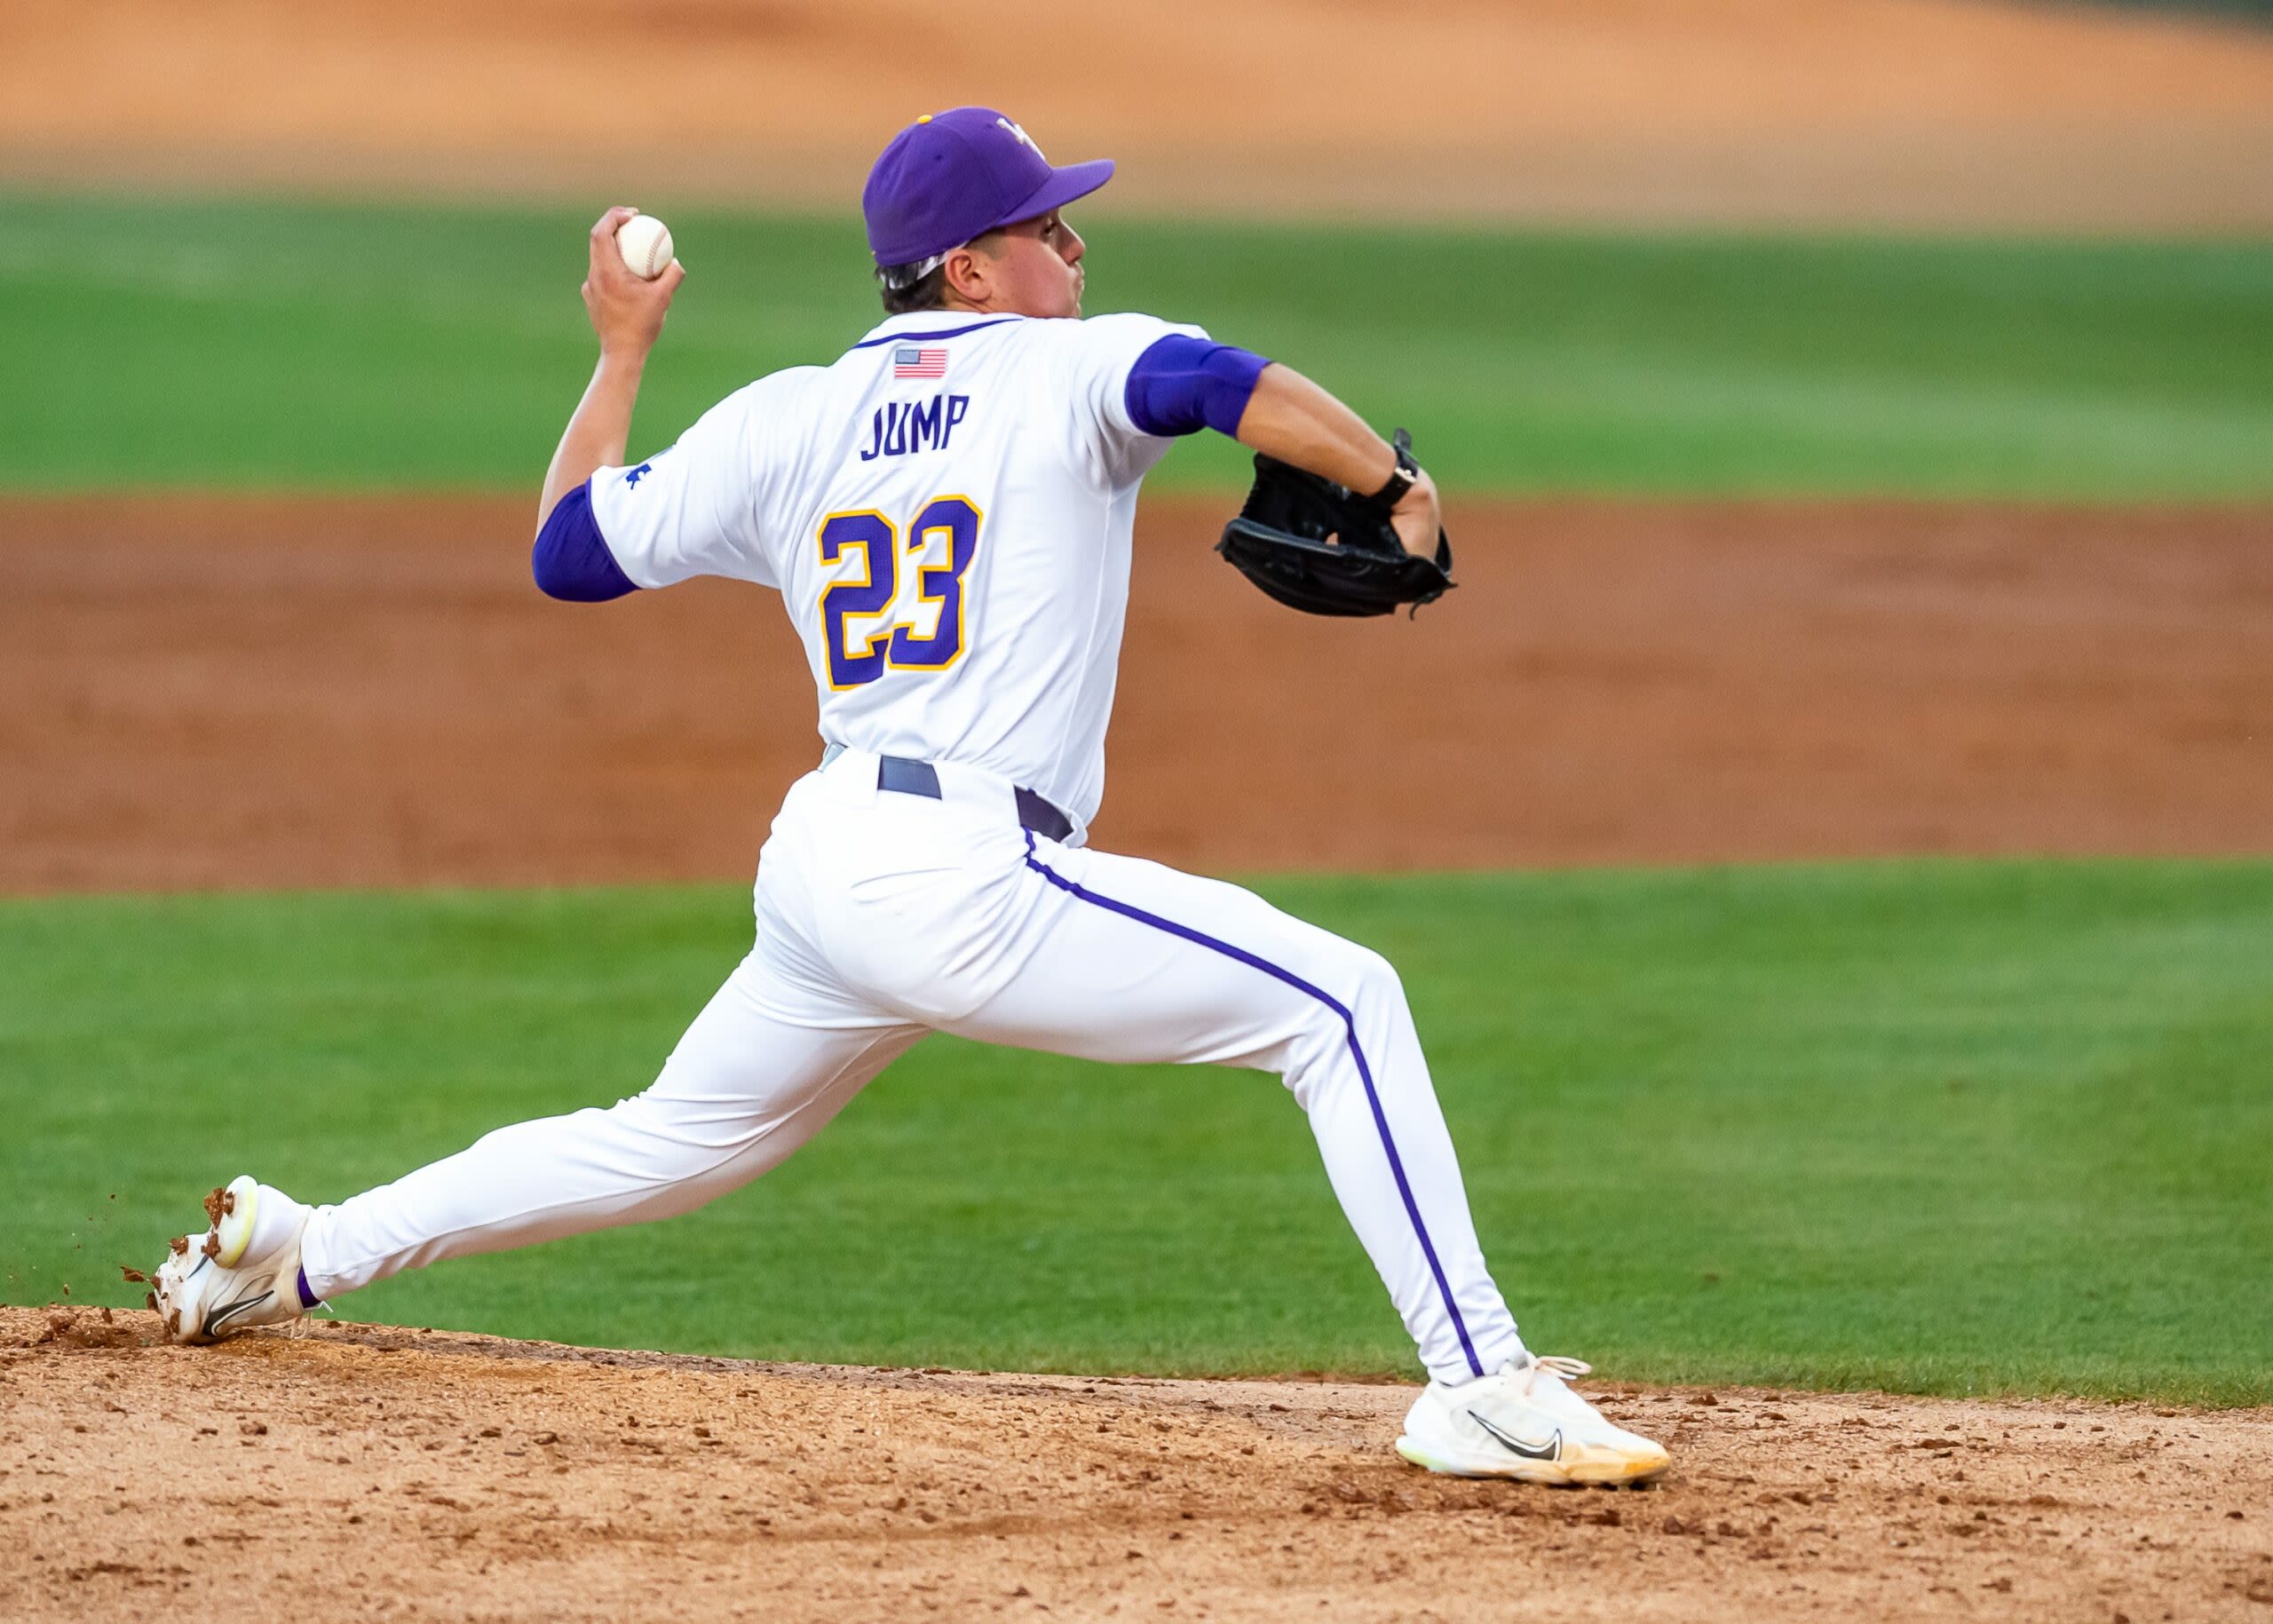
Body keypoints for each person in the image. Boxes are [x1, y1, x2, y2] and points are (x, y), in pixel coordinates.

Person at [150, 107, 1668, 1486]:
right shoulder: (1070, 365)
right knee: (1339, 1004)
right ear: (971, 268)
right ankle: (1476, 1380)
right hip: (963, 876)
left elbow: (566, 550)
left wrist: (621, 352)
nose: (1076, 245)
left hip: (826, 865)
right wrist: (1394, 484)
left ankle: (295, 1253)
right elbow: (1219, 384)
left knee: (662, 1136)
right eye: (1047, 227)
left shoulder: (788, 416)